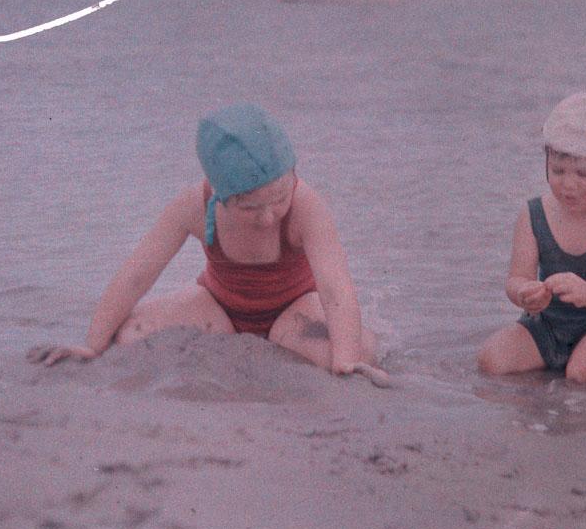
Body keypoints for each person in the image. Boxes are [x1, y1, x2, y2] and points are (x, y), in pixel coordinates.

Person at [30, 103, 388, 385]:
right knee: (128, 335)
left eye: (279, 199)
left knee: (358, 352)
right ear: (218, 193)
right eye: (250, 207)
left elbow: (335, 286)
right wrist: (93, 344)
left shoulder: (307, 205)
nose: (268, 218)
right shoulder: (193, 206)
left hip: (292, 310)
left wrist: (345, 359)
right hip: (218, 310)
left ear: (293, 174)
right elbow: (138, 272)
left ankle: (335, 350)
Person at [477, 91, 586, 383]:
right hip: (549, 324)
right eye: (558, 170)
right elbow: (516, 279)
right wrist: (525, 294)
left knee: (584, 374)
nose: (568, 184)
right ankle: (560, 364)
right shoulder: (533, 214)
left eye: (584, 174)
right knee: (492, 360)